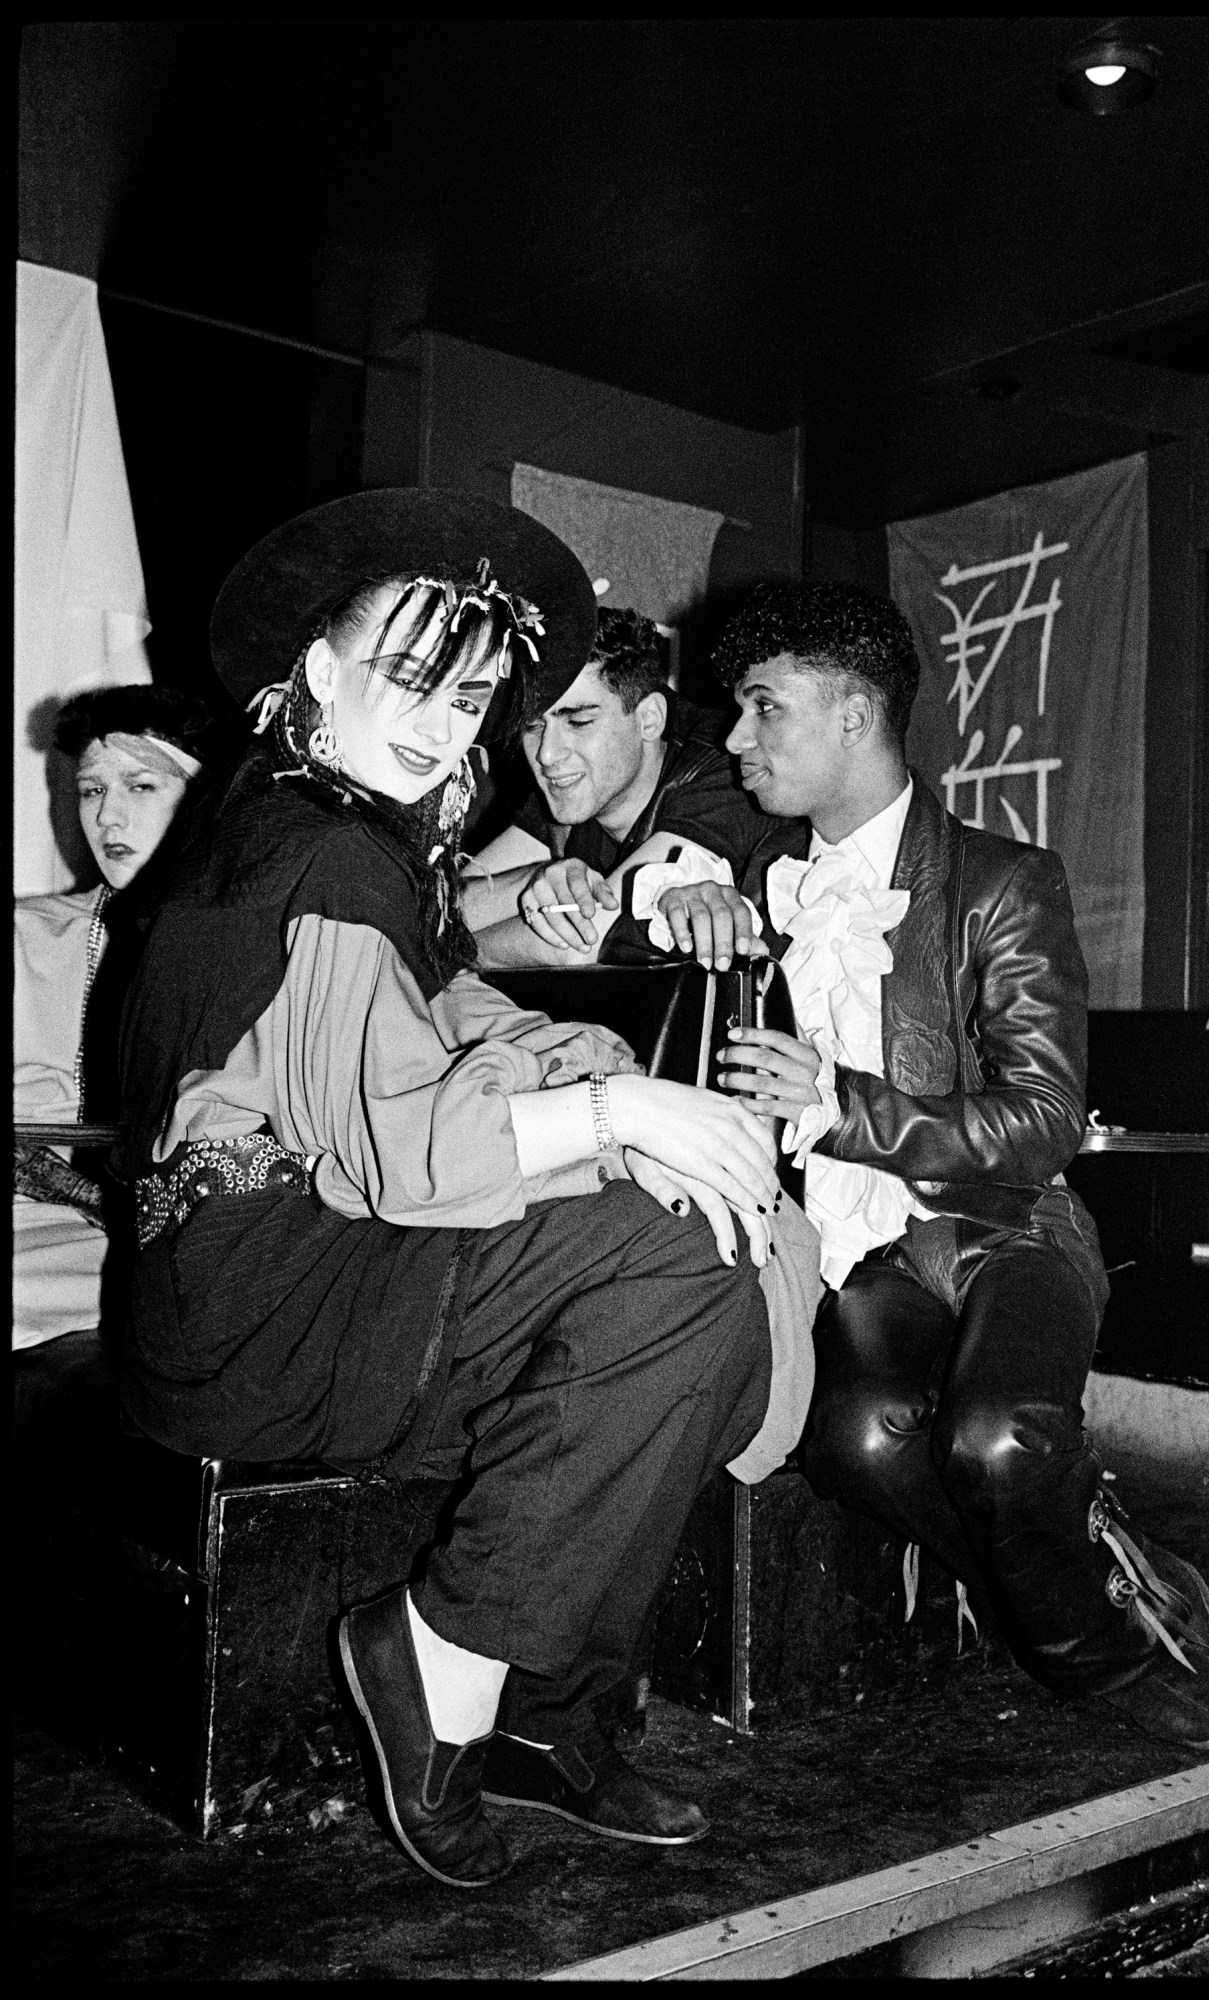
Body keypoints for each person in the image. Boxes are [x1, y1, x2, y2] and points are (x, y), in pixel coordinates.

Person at [115, 489, 786, 1890]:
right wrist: (616, 1108)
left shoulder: (338, 827)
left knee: (706, 1282)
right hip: (262, 1318)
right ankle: (447, 1646)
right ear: (318, 669)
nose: (444, 722)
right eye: (411, 678)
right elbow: (401, 1149)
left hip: (294, 1274)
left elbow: (445, 1007)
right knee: (671, 1264)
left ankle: (551, 1710)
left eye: (472, 694)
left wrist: (601, 1075)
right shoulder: (316, 849)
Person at [664, 580, 1209, 1754]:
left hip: (1011, 1229)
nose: (734, 739)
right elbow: (637, 868)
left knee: (996, 1440)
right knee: (855, 1441)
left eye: (764, 709)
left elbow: (1042, 1121)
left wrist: (840, 1107)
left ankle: (1101, 1658)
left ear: (856, 716)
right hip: (872, 1254)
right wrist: (662, 889)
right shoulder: (761, 872)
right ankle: (1082, 1550)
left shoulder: (1003, 883)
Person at [13, 685, 216, 1349]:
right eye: (92, 791)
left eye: (142, 787)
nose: (108, 819)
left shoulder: (257, 953)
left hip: (153, 1247)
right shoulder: (27, 938)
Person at [462, 604, 779, 972]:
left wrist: (436, 956)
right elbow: (439, 907)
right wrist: (532, 877)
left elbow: (580, 945)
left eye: (579, 722)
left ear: (649, 719)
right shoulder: (574, 780)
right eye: (532, 727)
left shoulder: (722, 772)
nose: (547, 754)